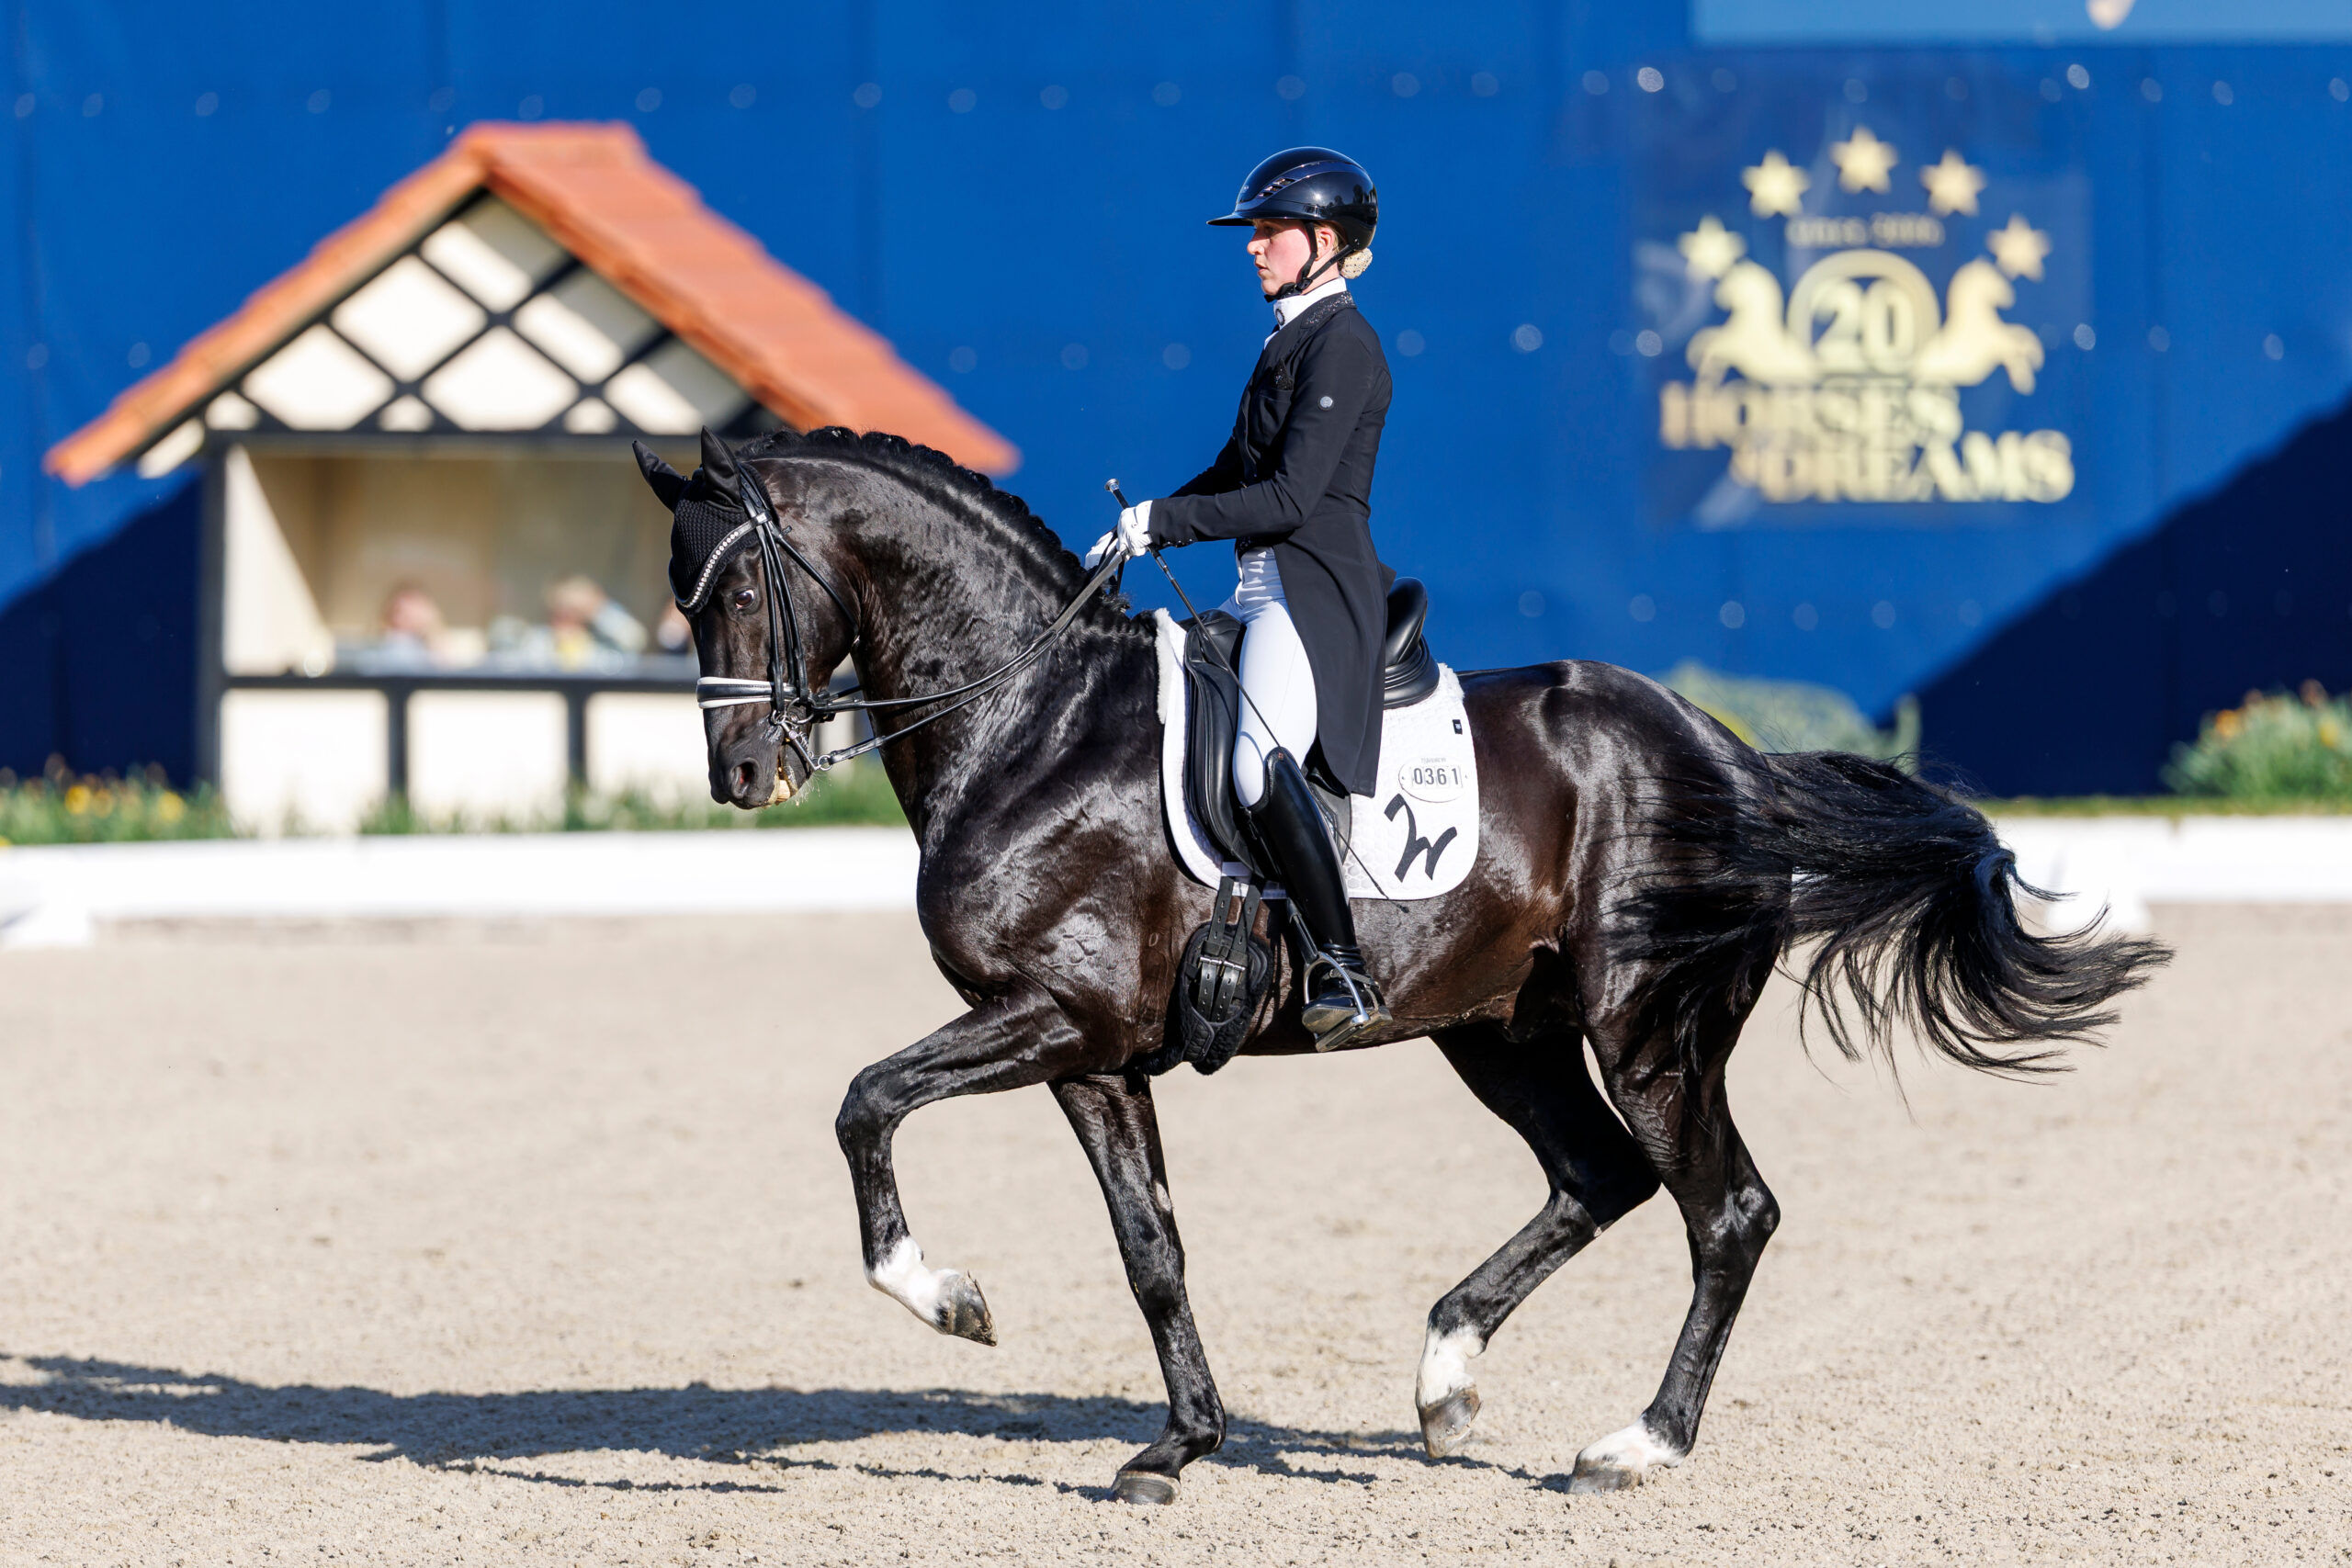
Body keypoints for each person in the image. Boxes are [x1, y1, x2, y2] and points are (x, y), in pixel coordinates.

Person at [1085, 147, 1396, 1050]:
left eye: (1270, 232)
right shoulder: (1288, 339)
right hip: (1260, 590)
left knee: (1259, 765)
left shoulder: (1344, 342)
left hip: (1314, 594)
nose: (1252, 248)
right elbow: (1233, 470)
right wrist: (1139, 527)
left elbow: (1291, 498)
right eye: (1253, 233)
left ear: (1324, 241)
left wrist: (1165, 523)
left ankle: (1342, 965)